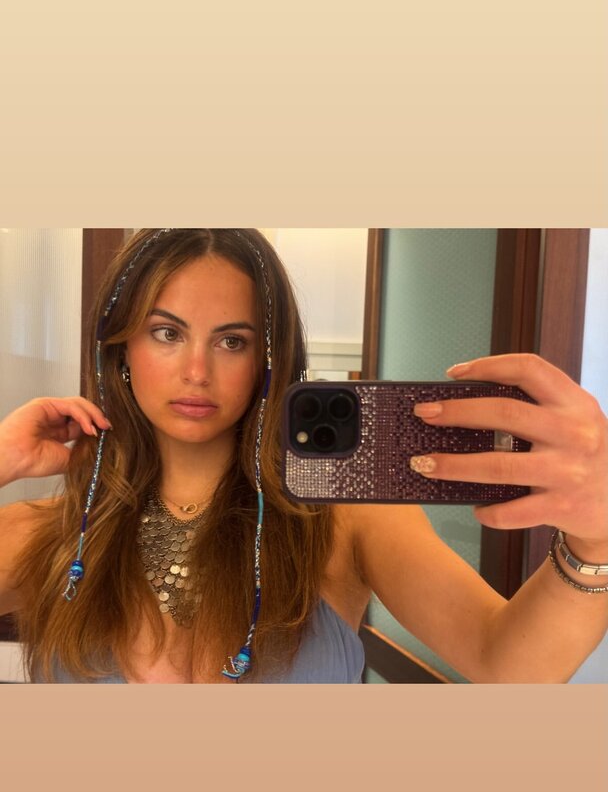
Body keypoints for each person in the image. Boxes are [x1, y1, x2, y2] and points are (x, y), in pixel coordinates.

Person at [0, 228, 606, 684]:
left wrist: (596, 540)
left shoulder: (347, 521)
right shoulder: (48, 533)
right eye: (167, 333)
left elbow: (510, 664)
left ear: (270, 361)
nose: (196, 371)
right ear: (120, 350)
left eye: (231, 341)